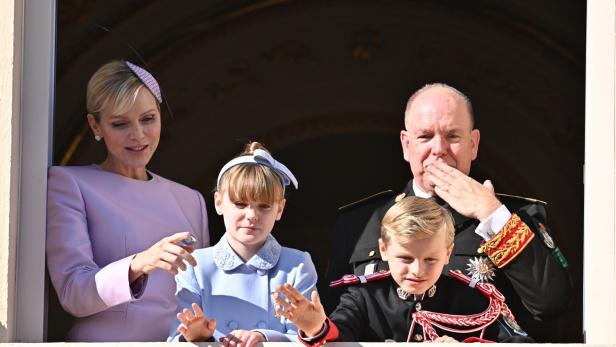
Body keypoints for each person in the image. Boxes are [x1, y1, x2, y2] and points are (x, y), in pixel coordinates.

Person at [322, 83, 571, 330]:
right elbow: (333, 318)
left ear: (473, 144)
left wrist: (491, 214)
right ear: (406, 145)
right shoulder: (360, 222)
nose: (439, 150)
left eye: (452, 136)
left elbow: (551, 303)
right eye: (425, 136)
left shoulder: (511, 216)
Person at [46, 60, 209, 341]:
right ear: (94, 124)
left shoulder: (191, 200)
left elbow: (205, 296)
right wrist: (139, 263)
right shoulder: (69, 184)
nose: (138, 135)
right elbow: (73, 292)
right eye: (120, 123)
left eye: (148, 119)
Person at [274, 197, 533, 343]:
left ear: (448, 253)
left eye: (430, 259)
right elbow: (337, 333)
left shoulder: (472, 298)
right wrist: (315, 326)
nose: (417, 270)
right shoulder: (365, 298)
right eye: (406, 258)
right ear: (383, 250)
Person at [167, 142, 318, 346]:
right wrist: (199, 336)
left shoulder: (297, 264)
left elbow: (307, 338)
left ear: (280, 209)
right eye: (240, 204)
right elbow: (175, 339)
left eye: (264, 206)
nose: (252, 215)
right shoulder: (195, 265)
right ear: (218, 203)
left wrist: (263, 337)